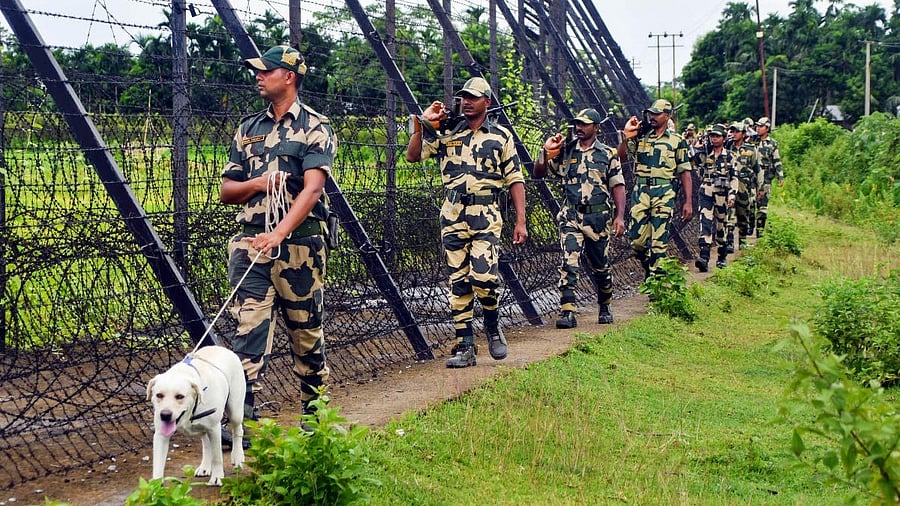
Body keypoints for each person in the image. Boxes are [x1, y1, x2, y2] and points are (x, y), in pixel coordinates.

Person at [219, 45, 337, 431]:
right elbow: (226, 190)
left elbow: (313, 189)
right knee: (247, 329)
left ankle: (314, 411)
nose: (258, 77)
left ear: (289, 76)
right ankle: (241, 419)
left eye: (265, 71)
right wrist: (255, 184)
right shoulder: (248, 129)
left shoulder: (316, 127)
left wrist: (280, 233)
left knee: (305, 331)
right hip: (251, 243)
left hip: (299, 245)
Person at [406, 77, 528, 368]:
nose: (466, 102)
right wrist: (423, 123)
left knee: (484, 277)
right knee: (458, 282)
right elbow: (413, 155)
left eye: (473, 97)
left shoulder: (500, 136)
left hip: (486, 213)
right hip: (452, 213)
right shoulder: (447, 130)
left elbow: (515, 179)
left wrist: (520, 221)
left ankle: (492, 324)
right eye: (463, 97)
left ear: (487, 101)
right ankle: (465, 346)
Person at [532, 108, 626, 328]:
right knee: (569, 262)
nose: (579, 128)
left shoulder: (608, 154)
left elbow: (618, 186)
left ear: (596, 127)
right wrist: (544, 152)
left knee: (600, 265)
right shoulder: (566, 151)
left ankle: (605, 303)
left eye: (584, 124)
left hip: (598, 217)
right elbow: (539, 173)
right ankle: (567, 310)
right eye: (577, 124)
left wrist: (620, 216)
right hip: (571, 215)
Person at [618, 99, 693, 279]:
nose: (652, 117)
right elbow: (621, 156)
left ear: (667, 116)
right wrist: (626, 136)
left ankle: (656, 286)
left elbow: (685, 171)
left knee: (659, 243)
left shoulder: (677, 141)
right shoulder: (641, 135)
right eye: (651, 113)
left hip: (664, 191)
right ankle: (649, 267)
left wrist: (688, 201)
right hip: (641, 190)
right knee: (637, 241)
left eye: (657, 114)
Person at [691, 124, 738, 271]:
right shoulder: (706, 153)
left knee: (720, 227)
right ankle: (704, 257)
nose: (714, 138)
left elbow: (734, 178)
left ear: (723, 138)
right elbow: (691, 162)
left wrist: (732, 195)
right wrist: (696, 147)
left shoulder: (729, 156)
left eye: (717, 136)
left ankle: (721, 257)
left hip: (722, 195)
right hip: (706, 191)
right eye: (712, 136)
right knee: (705, 222)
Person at [727, 122, 762, 250]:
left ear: (743, 134)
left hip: (744, 187)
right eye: (733, 131)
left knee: (743, 216)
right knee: (729, 215)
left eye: (737, 131)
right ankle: (729, 241)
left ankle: (742, 241)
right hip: (730, 186)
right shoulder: (727, 147)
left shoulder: (751, 150)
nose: (734, 134)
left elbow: (757, 170)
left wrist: (760, 188)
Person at [754, 117, 784, 236]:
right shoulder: (752, 141)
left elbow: (777, 160)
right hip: (751, 178)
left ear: (767, 128)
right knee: (750, 205)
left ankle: (760, 231)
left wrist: (780, 176)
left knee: (762, 206)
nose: (758, 128)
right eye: (757, 126)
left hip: (765, 178)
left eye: (761, 126)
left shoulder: (772, 144)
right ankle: (748, 227)